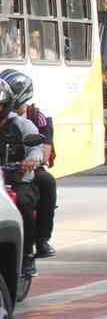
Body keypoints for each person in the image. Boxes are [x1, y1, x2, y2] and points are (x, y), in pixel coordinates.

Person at [0, 69, 57, 259]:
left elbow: (40, 149)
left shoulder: (26, 122)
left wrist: (32, 159)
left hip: (19, 174)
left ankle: (33, 248)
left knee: (31, 195)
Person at [0, 79, 44, 275]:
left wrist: (32, 160)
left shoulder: (21, 124)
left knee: (24, 204)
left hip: (14, 180)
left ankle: (27, 255)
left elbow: (36, 148)